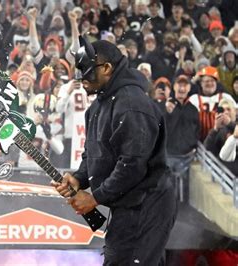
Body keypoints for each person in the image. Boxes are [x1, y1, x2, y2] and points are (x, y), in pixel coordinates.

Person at [52, 39, 176, 265]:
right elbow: (94, 153)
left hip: (148, 202)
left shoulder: (131, 104)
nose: (81, 79)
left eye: (86, 72)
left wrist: (95, 198)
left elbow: (132, 164)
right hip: (127, 202)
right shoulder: (98, 106)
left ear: (107, 68)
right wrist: (79, 178)